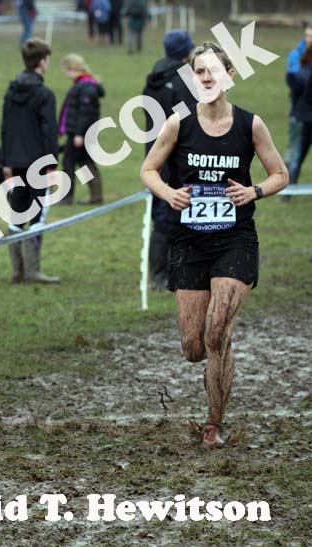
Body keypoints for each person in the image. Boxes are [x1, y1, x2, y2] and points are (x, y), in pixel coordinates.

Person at [140, 42, 288, 446]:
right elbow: (148, 169)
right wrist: (169, 193)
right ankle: (217, 345)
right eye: (200, 72)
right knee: (194, 347)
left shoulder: (250, 124)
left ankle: (213, 425)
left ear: (230, 76)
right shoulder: (178, 124)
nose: (207, 78)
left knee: (217, 330)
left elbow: (280, 174)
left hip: (235, 240)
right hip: (189, 242)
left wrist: (255, 191)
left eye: (214, 71)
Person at [1, 37, 60, 284]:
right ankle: (33, 270)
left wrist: (7, 161)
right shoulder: (45, 94)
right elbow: (49, 131)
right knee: (38, 215)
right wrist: (52, 165)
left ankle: (18, 270)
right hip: (38, 163)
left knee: (17, 213)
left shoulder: (11, 90)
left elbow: (6, 127)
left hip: (15, 161)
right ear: (42, 61)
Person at [142, 29, 196, 290]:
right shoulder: (185, 80)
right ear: (186, 51)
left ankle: (160, 272)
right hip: (178, 158)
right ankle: (163, 274)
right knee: (171, 215)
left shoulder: (152, 78)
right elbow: (192, 120)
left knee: (160, 214)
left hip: (154, 156)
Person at [58, 53, 105, 205]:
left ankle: (67, 197)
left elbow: (86, 113)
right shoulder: (83, 84)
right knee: (84, 163)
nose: (66, 74)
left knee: (69, 163)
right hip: (79, 132)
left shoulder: (86, 87)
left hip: (80, 133)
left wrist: (79, 133)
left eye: (66, 70)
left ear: (72, 69)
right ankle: (95, 195)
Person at [285, 25, 312, 198]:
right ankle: (287, 187)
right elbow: (294, 80)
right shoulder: (296, 55)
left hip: (303, 112)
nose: (309, 38)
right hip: (300, 114)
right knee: (295, 152)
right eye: (308, 35)